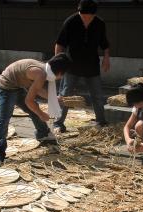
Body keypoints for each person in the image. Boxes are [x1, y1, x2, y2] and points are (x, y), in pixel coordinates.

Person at [0, 53, 71, 167]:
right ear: (60, 72)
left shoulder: (44, 69)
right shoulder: (41, 73)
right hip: (6, 87)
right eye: (63, 75)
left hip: (17, 86)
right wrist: (41, 114)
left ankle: (43, 134)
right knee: (4, 119)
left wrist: (53, 98)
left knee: (34, 109)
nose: (61, 78)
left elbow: (38, 89)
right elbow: (29, 101)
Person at [54, 0, 110, 133]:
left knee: (97, 95)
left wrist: (106, 58)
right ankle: (58, 123)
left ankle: (101, 122)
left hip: (92, 65)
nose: (84, 18)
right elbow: (60, 43)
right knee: (65, 95)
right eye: (82, 14)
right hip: (71, 65)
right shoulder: (71, 21)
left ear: (94, 15)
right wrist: (58, 63)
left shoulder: (99, 24)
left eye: (88, 16)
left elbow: (105, 44)